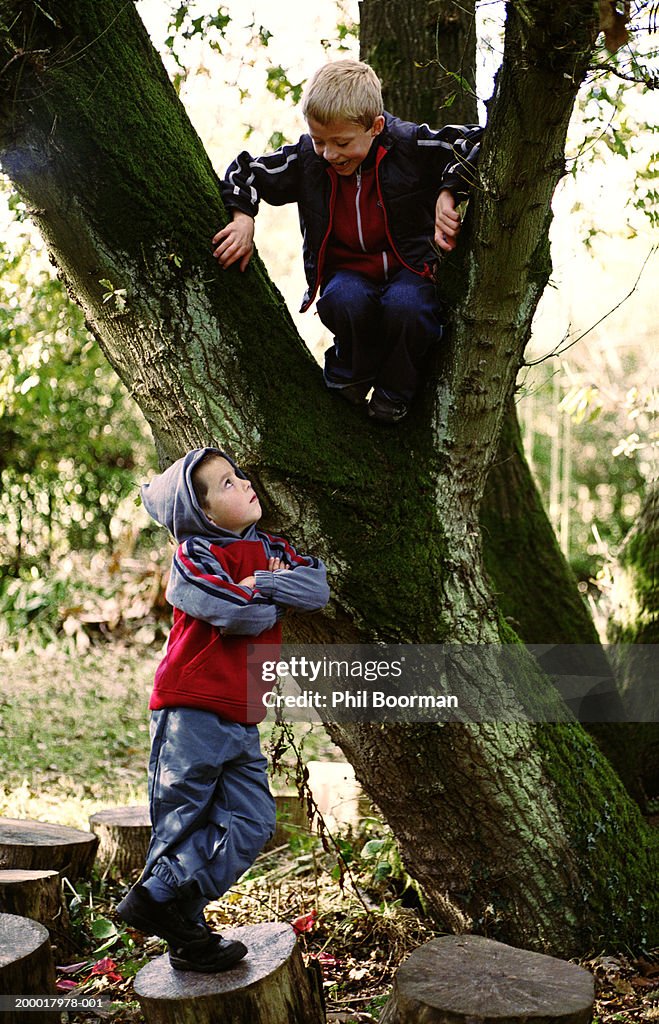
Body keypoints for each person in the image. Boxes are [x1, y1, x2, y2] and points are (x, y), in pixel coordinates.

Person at [117, 448, 329, 973]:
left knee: (254, 822)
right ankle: (185, 934)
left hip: (243, 712)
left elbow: (317, 588)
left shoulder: (271, 548)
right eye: (228, 484)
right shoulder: (193, 556)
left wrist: (265, 583)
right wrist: (262, 591)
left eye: (239, 474)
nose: (246, 483)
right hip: (190, 707)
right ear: (204, 514)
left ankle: (160, 904)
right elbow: (239, 614)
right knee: (183, 819)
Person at [212, 58, 483, 423]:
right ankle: (354, 371)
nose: (330, 154)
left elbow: (474, 141)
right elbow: (246, 170)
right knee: (342, 298)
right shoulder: (309, 160)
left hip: (409, 269)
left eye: (341, 142)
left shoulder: (408, 145)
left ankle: (394, 390)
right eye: (319, 140)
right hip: (349, 272)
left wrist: (449, 192)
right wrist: (243, 218)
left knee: (407, 307)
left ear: (375, 127)